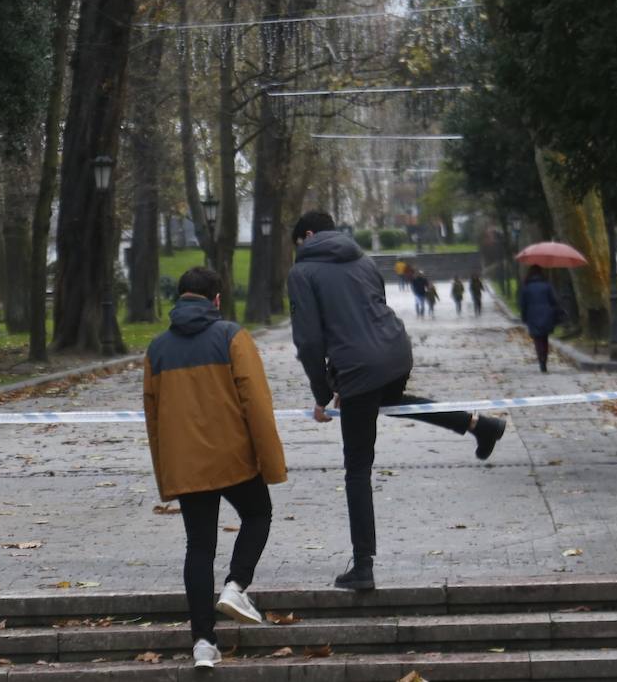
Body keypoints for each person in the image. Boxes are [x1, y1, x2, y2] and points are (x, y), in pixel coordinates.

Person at [287, 211, 507, 591]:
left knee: (357, 468)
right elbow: (372, 311)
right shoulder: (363, 259)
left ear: (307, 235)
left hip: (359, 366)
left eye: (298, 244)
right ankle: (479, 424)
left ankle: (363, 566)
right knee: (395, 400)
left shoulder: (302, 274)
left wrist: (324, 395)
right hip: (396, 352)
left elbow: (308, 341)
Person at [143, 267, 288, 669]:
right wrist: (271, 462)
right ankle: (237, 584)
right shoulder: (231, 337)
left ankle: (203, 644)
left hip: (187, 465)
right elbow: (255, 403)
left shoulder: (156, 350)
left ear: (179, 297)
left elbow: (153, 419)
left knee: (199, 547)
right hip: (235, 458)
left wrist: (166, 473)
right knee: (258, 513)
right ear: (217, 300)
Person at [518, 265, 562, 373]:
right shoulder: (547, 286)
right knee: (544, 338)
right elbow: (554, 301)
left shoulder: (526, 287)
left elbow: (523, 304)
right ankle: (544, 360)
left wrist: (524, 317)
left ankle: (541, 361)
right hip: (546, 315)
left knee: (537, 339)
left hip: (532, 315)